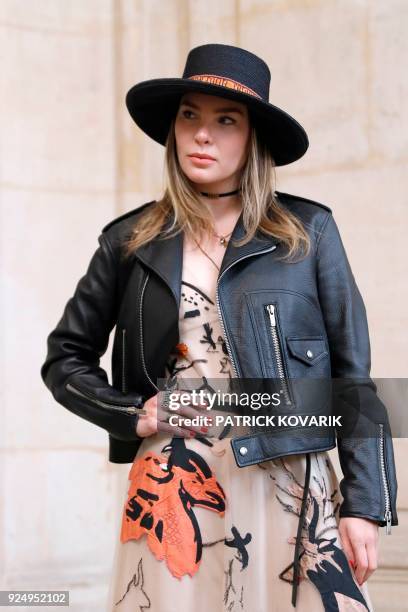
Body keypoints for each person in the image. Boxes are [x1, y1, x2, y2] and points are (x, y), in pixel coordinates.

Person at [41, 44, 398, 611]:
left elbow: (353, 381)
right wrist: (137, 413)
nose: (201, 135)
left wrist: (363, 504)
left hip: (287, 479)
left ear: (253, 137)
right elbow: (65, 359)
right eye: (190, 116)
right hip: (175, 487)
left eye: (224, 120)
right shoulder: (129, 242)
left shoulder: (308, 234)